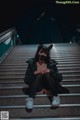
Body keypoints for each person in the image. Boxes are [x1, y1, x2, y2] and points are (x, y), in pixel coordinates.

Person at [24, 44, 69, 109]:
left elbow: (59, 78)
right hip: (37, 86)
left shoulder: (51, 63)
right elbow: (26, 80)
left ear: (47, 54)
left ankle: (56, 97)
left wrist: (51, 71)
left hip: (49, 86)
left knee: (47, 74)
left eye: (45, 53)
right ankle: (30, 98)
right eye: (41, 52)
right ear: (38, 52)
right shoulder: (32, 63)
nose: (43, 54)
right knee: (39, 75)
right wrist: (35, 73)